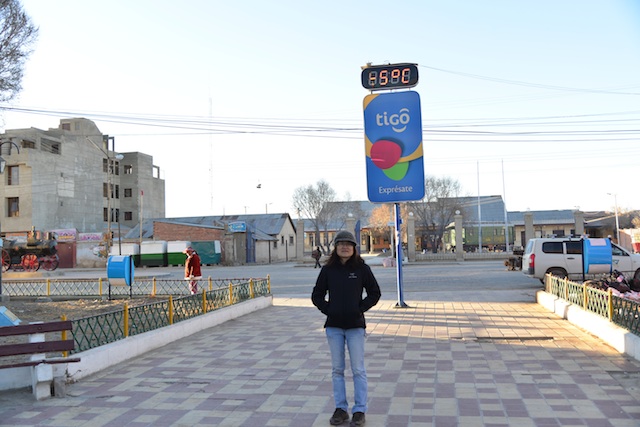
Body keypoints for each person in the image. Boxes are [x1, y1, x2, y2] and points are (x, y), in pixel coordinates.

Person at [311, 230, 381, 427]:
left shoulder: (361, 269)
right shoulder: (327, 270)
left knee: (358, 369)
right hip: (333, 327)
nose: (345, 247)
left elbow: (375, 292)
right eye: (341, 244)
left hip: (355, 327)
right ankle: (341, 409)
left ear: (354, 248)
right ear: (336, 247)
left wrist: (360, 309)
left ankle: (359, 410)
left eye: (348, 244)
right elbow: (316, 295)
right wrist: (329, 310)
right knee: (337, 369)